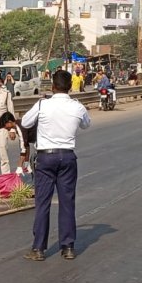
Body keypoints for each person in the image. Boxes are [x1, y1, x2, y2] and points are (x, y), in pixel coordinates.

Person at [21, 70, 90, 262]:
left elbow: (26, 122)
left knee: (43, 203)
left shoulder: (43, 104)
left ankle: (39, 248)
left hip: (46, 157)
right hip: (67, 156)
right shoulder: (76, 106)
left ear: (52, 85)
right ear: (70, 86)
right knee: (67, 202)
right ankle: (68, 247)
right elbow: (86, 124)